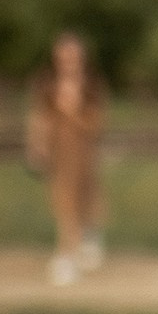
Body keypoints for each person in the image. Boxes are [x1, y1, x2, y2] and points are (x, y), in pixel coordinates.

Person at [26, 31, 107, 286]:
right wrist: (37, 146)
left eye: (73, 55)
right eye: (63, 55)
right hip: (57, 149)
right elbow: (40, 116)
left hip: (83, 150)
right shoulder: (46, 82)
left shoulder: (93, 84)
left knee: (84, 200)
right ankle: (66, 256)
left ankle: (88, 235)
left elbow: (97, 124)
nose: (67, 60)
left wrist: (73, 111)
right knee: (63, 202)